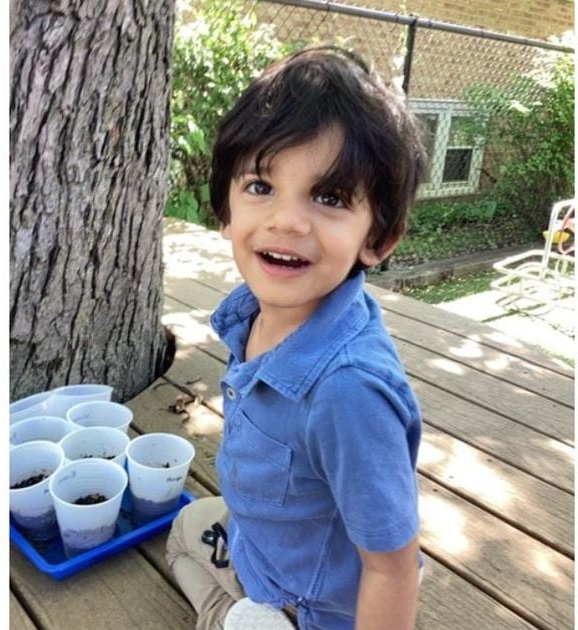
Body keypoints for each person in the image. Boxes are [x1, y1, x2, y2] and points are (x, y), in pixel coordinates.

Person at [165, 46, 427, 630]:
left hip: (311, 604)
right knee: (184, 529)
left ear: (378, 238)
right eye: (261, 185)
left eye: (329, 197)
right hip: (267, 543)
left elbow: (393, 567)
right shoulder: (255, 314)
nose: (287, 220)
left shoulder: (348, 392)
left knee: (186, 552)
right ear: (226, 212)